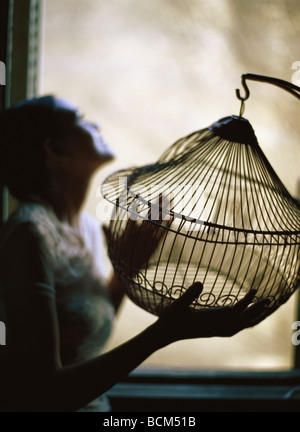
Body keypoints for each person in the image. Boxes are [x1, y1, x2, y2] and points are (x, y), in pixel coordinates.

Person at [0, 96, 268, 412]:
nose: (94, 124)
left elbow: (86, 337)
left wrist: (124, 276)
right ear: (56, 151)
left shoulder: (87, 227)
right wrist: (164, 333)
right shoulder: (29, 235)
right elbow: (45, 394)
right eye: (80, 119)